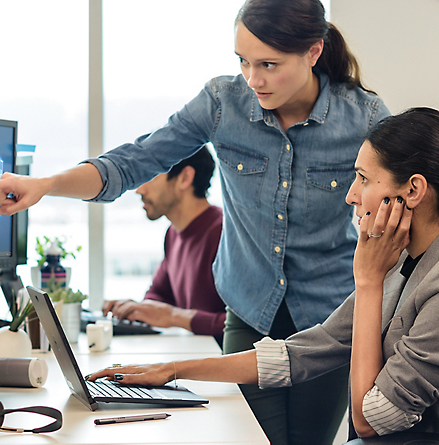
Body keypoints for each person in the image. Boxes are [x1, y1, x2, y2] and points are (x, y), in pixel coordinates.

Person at [0, 0, 390, 444]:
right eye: (243, 62)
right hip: (249, 314)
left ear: (313, 52)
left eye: (269, 65)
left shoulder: (365, 119)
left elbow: (401, 208)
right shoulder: (221, 103)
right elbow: (135, 161)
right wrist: (46, 185)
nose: (253, 79)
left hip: (330, 322)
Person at [87, 107, 439, 440]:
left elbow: (368, 421)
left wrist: (367, 281)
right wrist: (173, 370)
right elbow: (304, 352)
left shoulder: (418, 283)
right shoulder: (396, 262)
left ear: (412, 190)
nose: (351, 196)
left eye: (362, 179)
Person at [102, 146, 226, 345]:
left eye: (149, 176)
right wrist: (134, 309)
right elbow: (158, 295)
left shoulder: (224, 234)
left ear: (184, 178)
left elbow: (245, 325)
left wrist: (175, 317)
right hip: (195, 356)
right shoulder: (173, 233)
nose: (139, 189)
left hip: (223, 366)